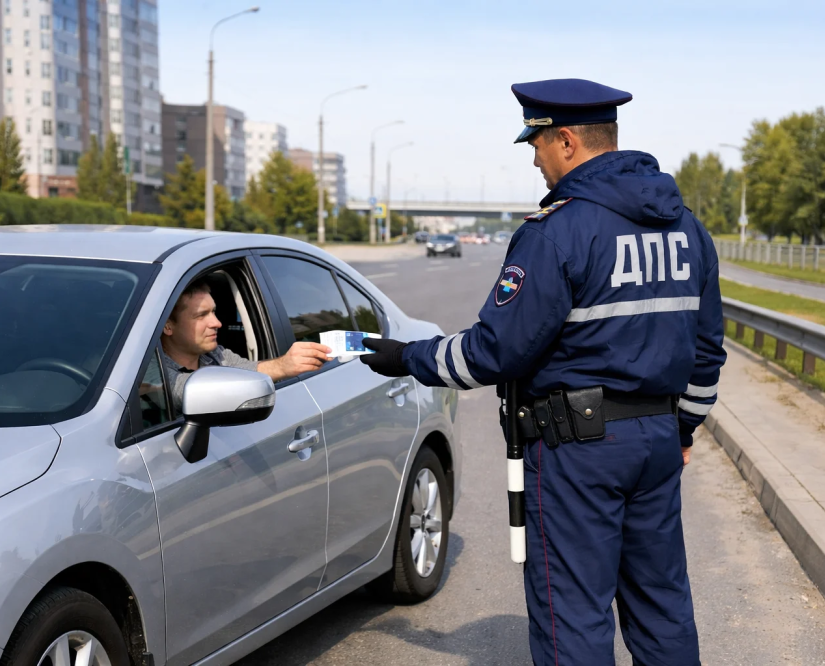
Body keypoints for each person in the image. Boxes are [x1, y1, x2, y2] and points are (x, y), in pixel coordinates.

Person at [360, 78, 725, 665]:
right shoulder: (687, 229)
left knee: (573, 616)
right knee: (662, 608)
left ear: (567, 141)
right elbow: (707, 348)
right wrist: (681, 429)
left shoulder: (558, 231)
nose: (535, 159)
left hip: (577, 451)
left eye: (536, 144)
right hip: (658, 441)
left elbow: (493, 353)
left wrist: (408, 357)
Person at [160, 279, 331, 414]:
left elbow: (247, 372)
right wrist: (282, 366)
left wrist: (287, 365)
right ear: (168, 326)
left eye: (213, 312)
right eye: (201, 315)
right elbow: (182, 392)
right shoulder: (150, 370)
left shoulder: (214, 354)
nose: (217, 323)